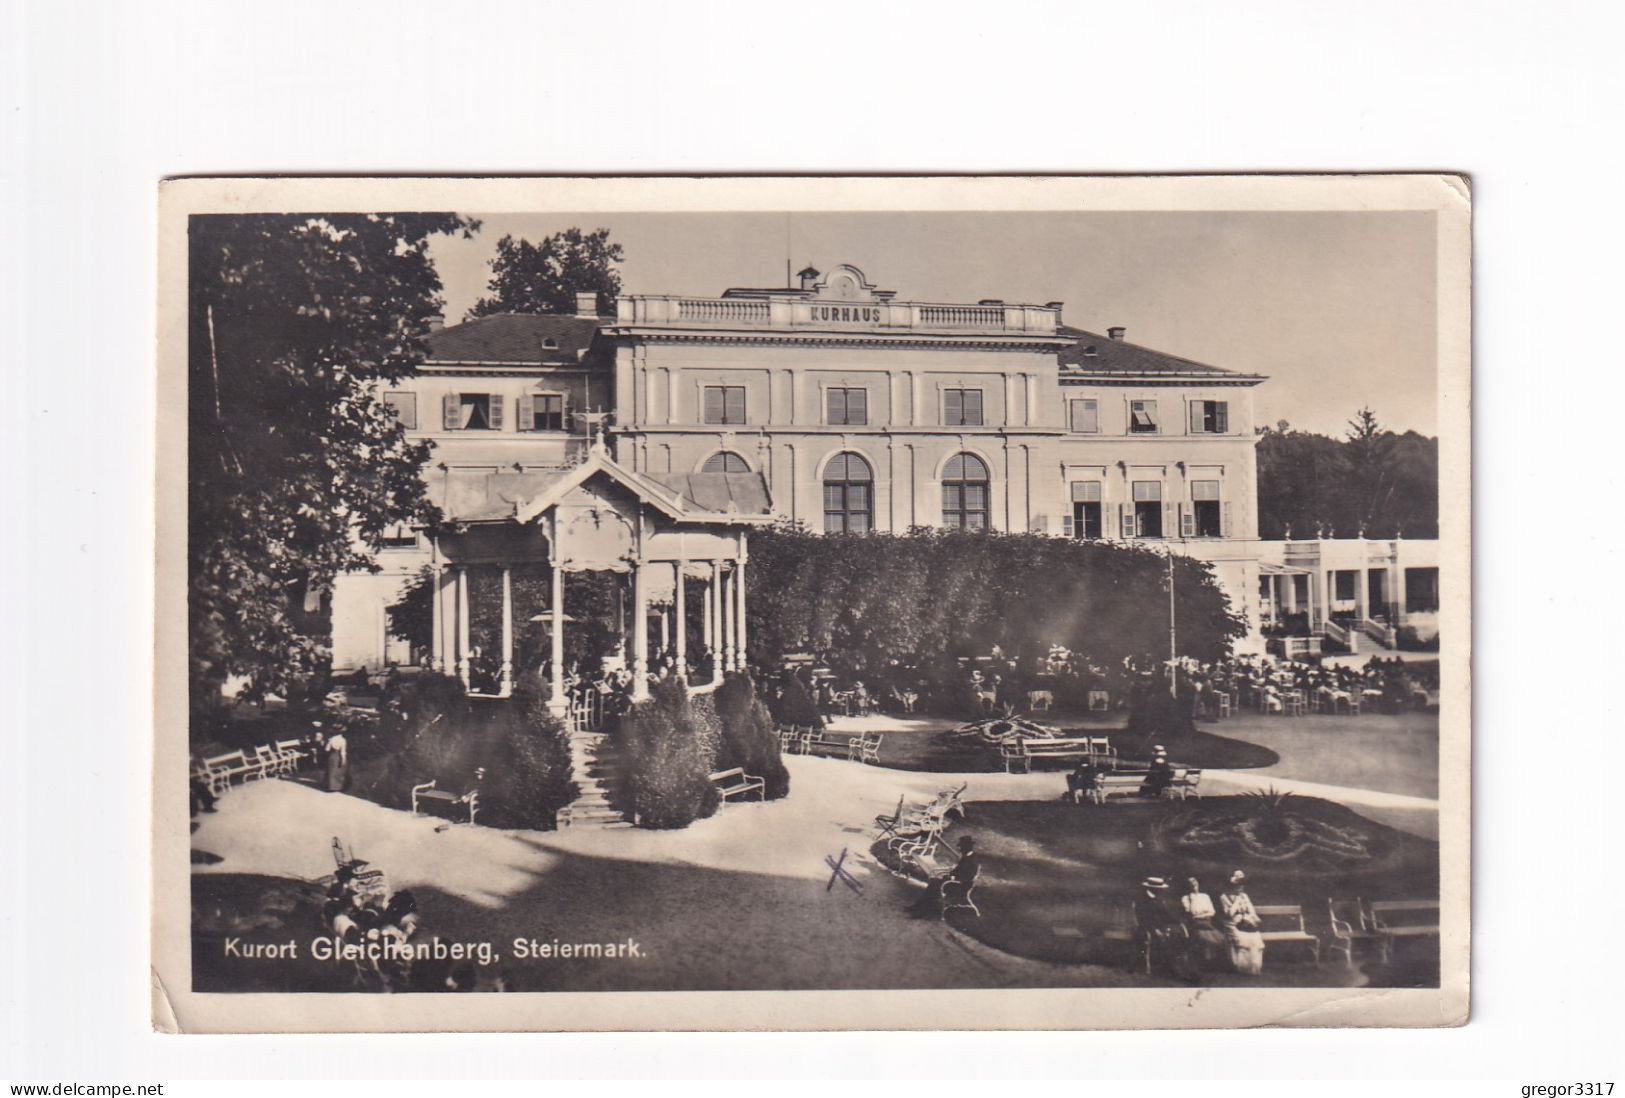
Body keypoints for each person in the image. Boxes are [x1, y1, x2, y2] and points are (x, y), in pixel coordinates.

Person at [1133, 877, 1195, 979]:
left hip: (1161, 927)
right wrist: (1155, 930)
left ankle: (1184, 969)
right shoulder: (1142, 900)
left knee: (1178, 936)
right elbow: (1142, 919)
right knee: (1166, 940)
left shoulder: (1158, 898)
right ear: (1152, 888)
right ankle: (1174, 970)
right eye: (1159, 889)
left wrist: (1179, 922)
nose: (1161, 891)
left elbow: (1166, 915)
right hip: (1146, 928)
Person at [915, 836, 979, 916]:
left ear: (967, 847)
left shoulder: (972, 860)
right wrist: (950, 874)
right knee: (934, 881)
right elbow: (957, 870)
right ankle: (918, 907)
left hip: (961, 885)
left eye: (962, 847)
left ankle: (922, 911)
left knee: (935, 885)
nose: (960, 849)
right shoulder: (966, 857)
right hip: (955, 881)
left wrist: (953, 878)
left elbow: (968, 877)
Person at [1219, 869, 1267, 975]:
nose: (1241, 887)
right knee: (1242, 939)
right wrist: (1237, 901)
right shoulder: (1224, 897)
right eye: (1238, 885)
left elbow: (1251, 910)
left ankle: (1253, 966)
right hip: (1231, 924)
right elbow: (1230, 914)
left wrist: (1252, 919)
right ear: (1232, 885)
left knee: (1255, 937)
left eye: (1242, 885)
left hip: (1244, 923)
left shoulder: (1244, 896)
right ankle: (1241, 967)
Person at [1180, 877, 1226, 968]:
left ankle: (1212, 963)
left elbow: (1212, 912)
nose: (1193, 884)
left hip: (1207, 923)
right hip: (1196, 924)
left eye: (1195, 881)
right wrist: (1193, 900)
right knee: (1202, 937)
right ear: (1187, 886)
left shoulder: (1205, 896)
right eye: (1190, 883)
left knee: (1218, 938)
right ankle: (1204, 963)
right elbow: (1191, 913)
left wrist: (1201, 915)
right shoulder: (1186, 898)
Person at [323, 728, 349, 792]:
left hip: (332, 755)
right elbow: (343, 751)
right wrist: (343, 760)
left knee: (331, 770)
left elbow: (327, 749)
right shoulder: (343, 740)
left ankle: (330, 786)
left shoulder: (331, 739)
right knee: (339, 771)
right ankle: (337, 787)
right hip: (338, 755)